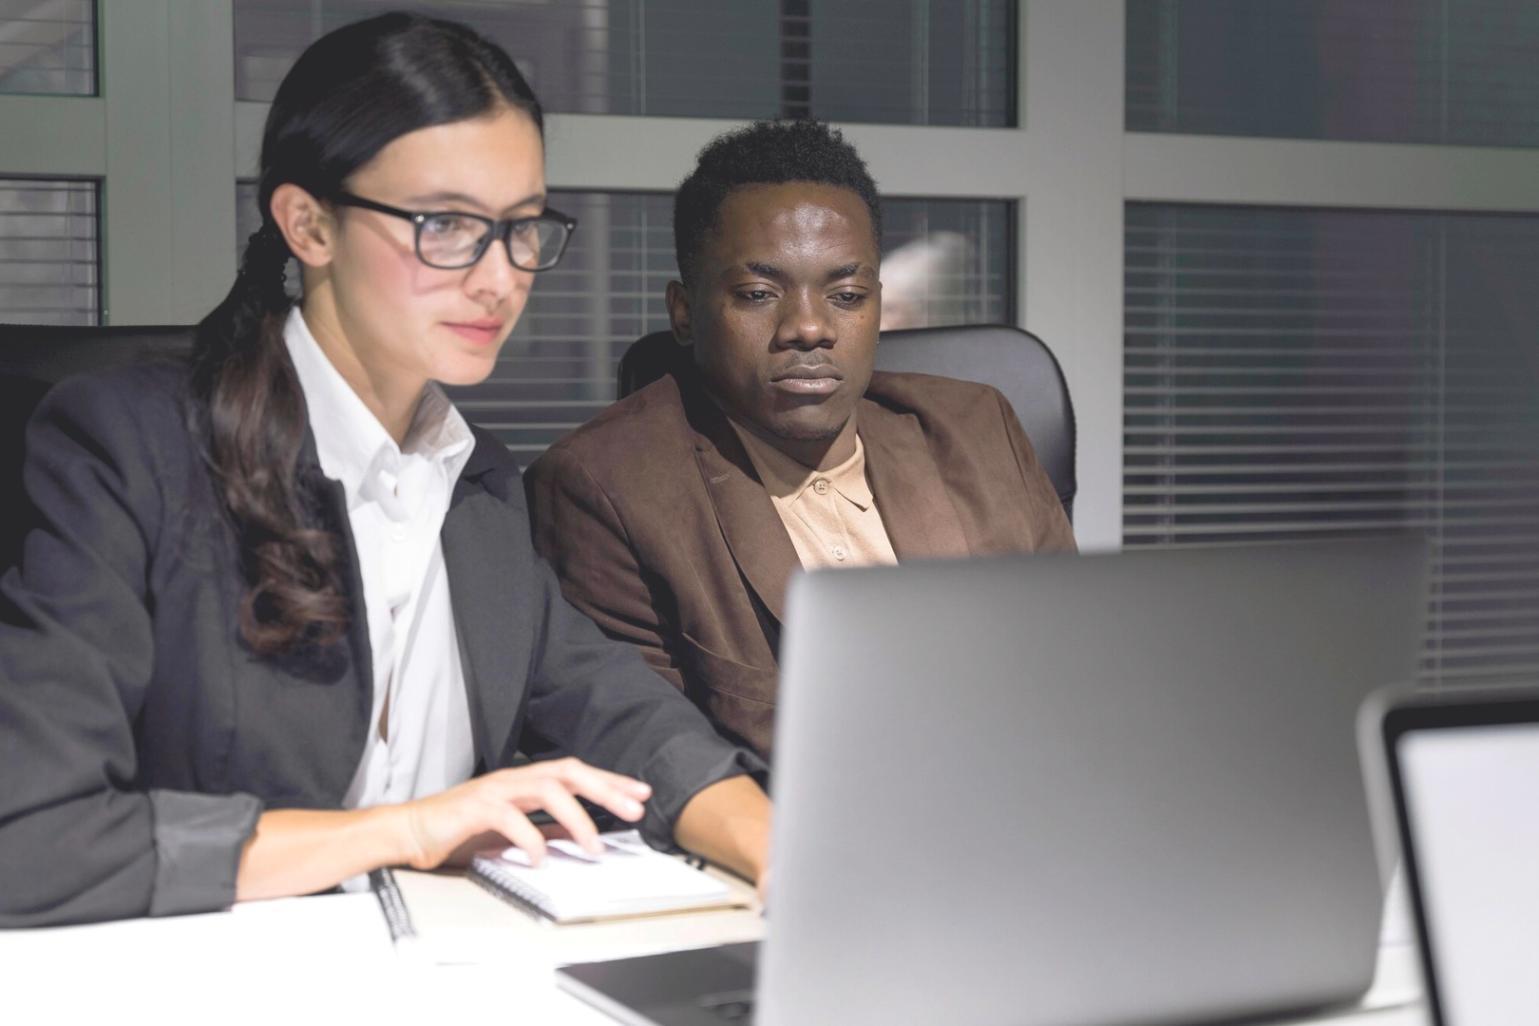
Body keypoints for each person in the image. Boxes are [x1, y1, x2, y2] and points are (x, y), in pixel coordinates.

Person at [0, 13, 769, 928]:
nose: (499, 279)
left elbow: (630, 719)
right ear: (308, 225)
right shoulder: (135, 449)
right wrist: (404, 829)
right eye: (446, 225)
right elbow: (30, 837)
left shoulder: (472, 480)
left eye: (521, 228)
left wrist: (795, 860)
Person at [525, 120, 1075, 761]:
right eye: (759, 294)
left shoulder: (979, 429)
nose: (810, 327)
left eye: (846, 295)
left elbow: (1076, 670)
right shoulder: (605, 489)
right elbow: (653, 761)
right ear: (683, 311)